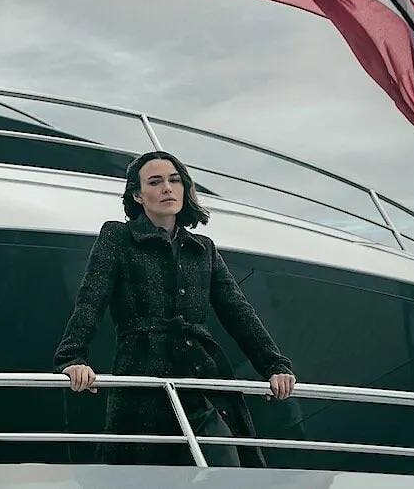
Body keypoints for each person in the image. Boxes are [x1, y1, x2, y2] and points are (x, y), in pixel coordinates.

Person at [54, 150, 296, 467]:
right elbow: (92, 297)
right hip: (143, 373)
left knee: (224, 464)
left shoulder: (203, 248)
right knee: (144, 473)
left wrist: (274, 365)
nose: (167, 188)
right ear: (138, 195)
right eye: (155, 182)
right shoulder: (118, 236)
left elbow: (238, 312)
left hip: (201, 377)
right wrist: (72, 358)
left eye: (174, 180)